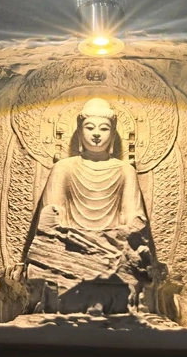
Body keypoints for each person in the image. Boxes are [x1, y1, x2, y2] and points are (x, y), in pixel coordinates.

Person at [24, 98, 155, 314]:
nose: (96, 134)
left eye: (104, 128)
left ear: (112, 134)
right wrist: (72, 239)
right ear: (79, 131)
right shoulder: (63, 168)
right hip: (71, 247)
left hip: (112, 248)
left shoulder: (125, 170)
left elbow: (133, 217)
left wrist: (123, 237)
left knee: (128, 261)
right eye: (89, 127)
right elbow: (51, 216)